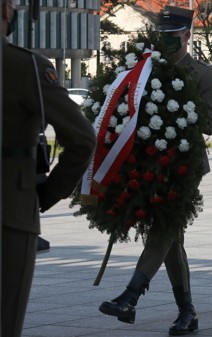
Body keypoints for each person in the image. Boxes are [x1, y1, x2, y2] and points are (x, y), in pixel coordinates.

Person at [98, 6, 212, 336]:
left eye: (172, 37)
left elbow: (209, 124)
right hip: (151, 162)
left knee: (164, 227)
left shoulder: (203, 73)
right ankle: (187, 313)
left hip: (185, 165)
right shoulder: (147, 67)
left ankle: (130, 296)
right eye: (162, 36)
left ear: (186, 36)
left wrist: (175, 107)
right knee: (172, 240)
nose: (166, 42)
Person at [1, 0, 96, 335]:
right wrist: (43, 196)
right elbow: (82, 139)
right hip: (9, 212)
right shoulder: (23, 66)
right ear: (4, 10)